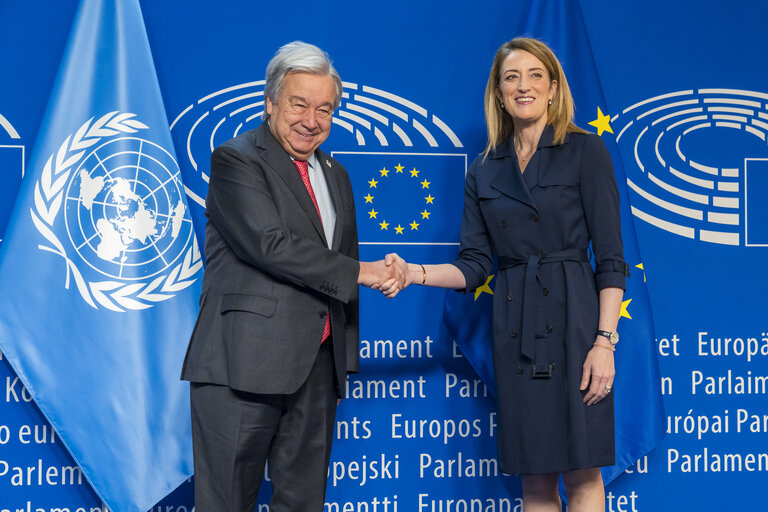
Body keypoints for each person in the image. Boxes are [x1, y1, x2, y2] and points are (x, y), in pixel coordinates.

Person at [381, 37, 627, 512]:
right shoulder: (483, 170)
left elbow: (612, 259)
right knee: (535, 479)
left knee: (583, 472)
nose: (524, 86)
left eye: (536, 75)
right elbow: (473, 266)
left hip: (578, 325)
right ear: (498, 92)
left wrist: (603, 342)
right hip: (517, 330)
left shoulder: (585, 150)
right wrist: (413, 272)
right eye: (511, 77)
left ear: (554, 88)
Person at [181, 41, 402, 511]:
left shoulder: (336, 173)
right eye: (299, 103)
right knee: (226, 504)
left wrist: (343, 354)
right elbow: (269, 244)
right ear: (271, 102)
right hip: (242, 364)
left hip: (318, 367)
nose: (311, 119)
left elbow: (339, 254)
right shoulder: (235, 159)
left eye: (325, 108)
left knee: (304, 504)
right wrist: (362, 273)